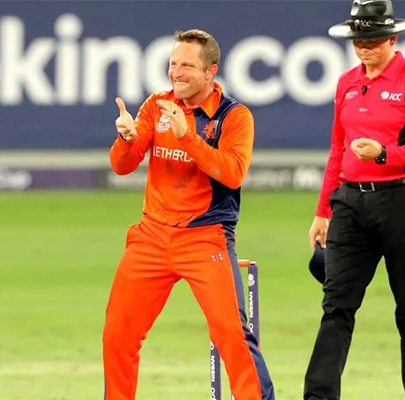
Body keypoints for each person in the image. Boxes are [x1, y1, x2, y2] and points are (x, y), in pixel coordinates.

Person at [101, 29, 275, 400]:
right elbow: (121, 166)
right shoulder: (157, 105)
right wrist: (127, 139)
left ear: (211, 71)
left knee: (231, 333)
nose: (176, 73)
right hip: (151, 235)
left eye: (187, 66)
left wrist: (187, 137)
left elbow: (232, 172)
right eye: (172, 64)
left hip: (205, 236)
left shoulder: (234, 115)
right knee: (118, 336)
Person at [303, 1, 405, 399]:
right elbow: (337, 149)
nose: (365, 47)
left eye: (373, 39)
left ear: (392, 38)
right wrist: (323, 210)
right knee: (336, 304)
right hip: (350, 202)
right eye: (359, 39)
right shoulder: (347, 82)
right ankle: (318, 396)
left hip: (402, 202)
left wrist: (385, 153)